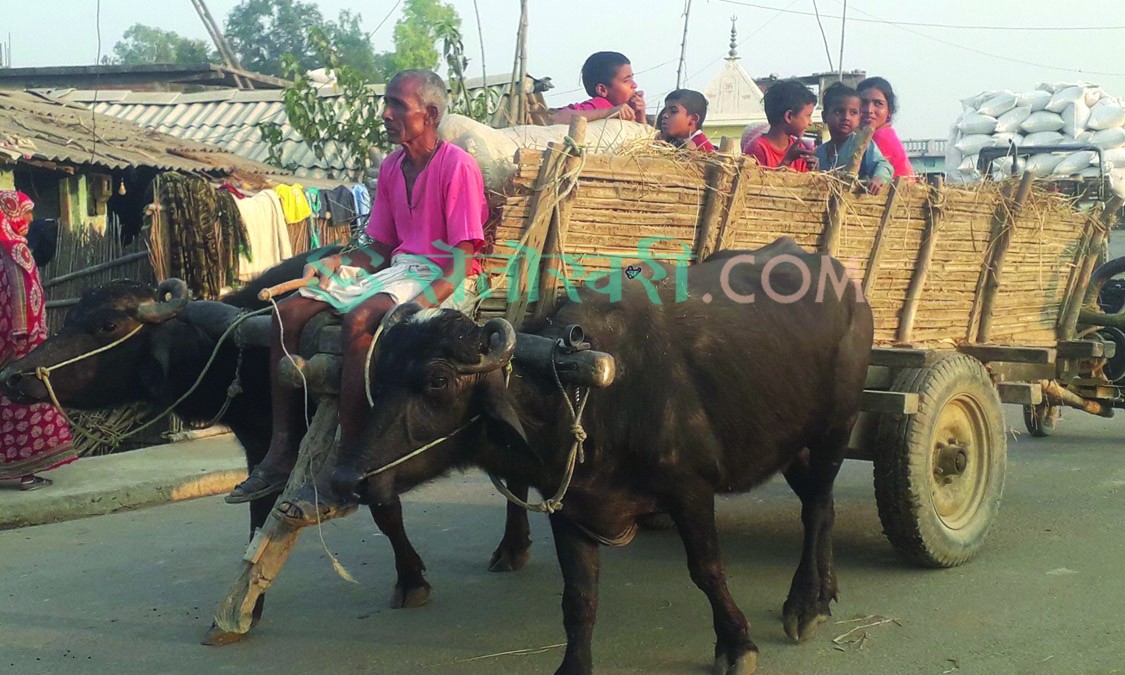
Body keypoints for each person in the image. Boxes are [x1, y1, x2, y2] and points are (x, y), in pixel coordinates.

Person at [225, 70, 487, 507]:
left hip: (442, 276)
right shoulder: (390, 167)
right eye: (386, 103)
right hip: (400, 269)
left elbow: (460, 262)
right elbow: (380, 248)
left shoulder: (457, 166)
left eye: (397, 105)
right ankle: (281, 450)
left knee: (360, 317)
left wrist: (416, 307)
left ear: (432, 114)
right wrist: (336, 264)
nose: (385, 114)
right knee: (286, 313)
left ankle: (347, 461)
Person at [0, 190, 76, 490]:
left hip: (5, 342)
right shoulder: (15, 249)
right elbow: (21, 293)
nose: (31, 218)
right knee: (26, 402)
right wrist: (24, 337)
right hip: (23, 343)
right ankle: (27, 473)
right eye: (26, 211)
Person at [815, 82, 893, 195]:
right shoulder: (820, 152)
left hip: (856, 205)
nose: (846, 117)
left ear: (859, 117)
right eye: (838, 112)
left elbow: (883, 165)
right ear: (824, 116)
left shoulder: (862, 143)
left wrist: (878, 179)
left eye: (853, 113)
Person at [550, 51, 647, 125]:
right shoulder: (600, 104)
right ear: (602, 90)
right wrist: (609, 112)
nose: (634, 85)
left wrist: (640, 115)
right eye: (626, 80)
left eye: (632, 78)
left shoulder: (626, 111)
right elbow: (556, 117)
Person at [743, 80, 818, 171]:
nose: (810, 122)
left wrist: (814, 171)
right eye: (808, 116)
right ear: (789, 116)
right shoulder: (757, 149)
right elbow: (759, 184)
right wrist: (787, 161)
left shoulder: (799, 148)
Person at [857, 76, 914, 180]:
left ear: (889, 111)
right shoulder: (868, 136)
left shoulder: (880, 137)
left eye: (878, 104)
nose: (869, 110)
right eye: (863, 103)